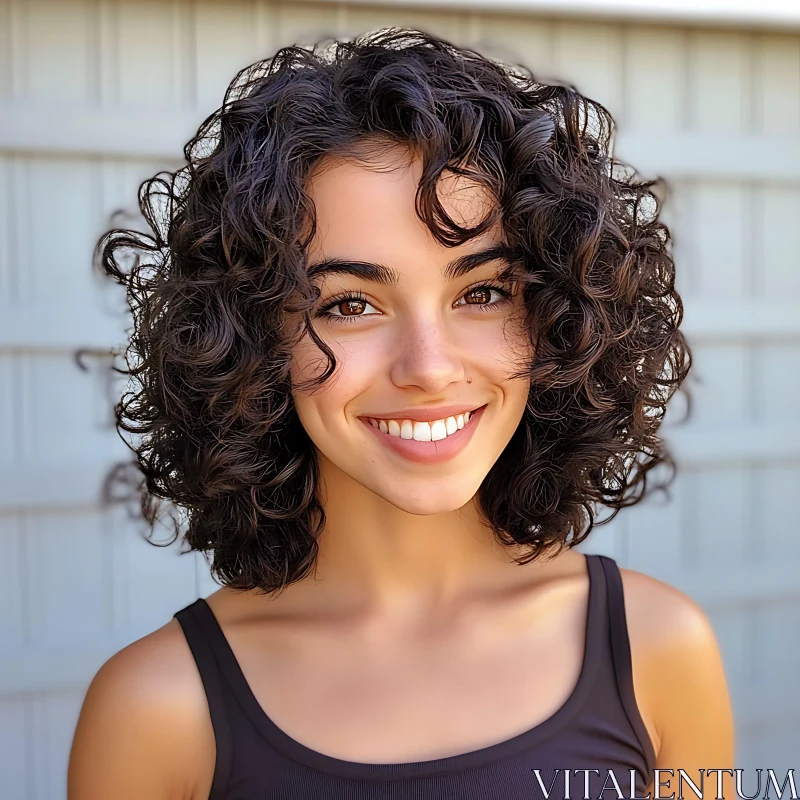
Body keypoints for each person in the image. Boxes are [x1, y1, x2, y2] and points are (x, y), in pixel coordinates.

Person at [68, 28, 733, 800]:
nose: (430, 367)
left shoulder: (659, 651)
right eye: (350, 305)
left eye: (482, 292)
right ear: (251, 341)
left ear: (560, 315)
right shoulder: (154, 710)